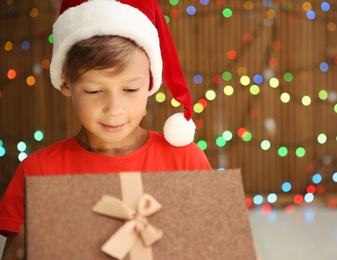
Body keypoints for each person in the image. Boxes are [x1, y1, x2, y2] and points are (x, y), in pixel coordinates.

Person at [0, 0, 211, 258]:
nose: (114, 109)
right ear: (66, 83)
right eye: (94, 91)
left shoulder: (186, 161)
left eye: (130, 89)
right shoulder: (39, 172)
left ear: (150, 82)